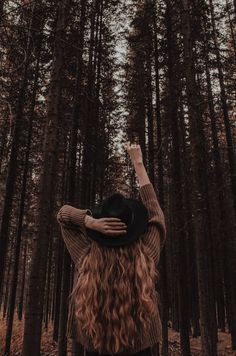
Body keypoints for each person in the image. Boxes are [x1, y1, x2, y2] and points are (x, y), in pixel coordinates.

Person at [56, 142, 166, 356]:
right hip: (140, 348)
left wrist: (88, 221)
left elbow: (63, 216)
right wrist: (138, 164)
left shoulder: (85, 258)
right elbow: (156, 216)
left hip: (95, 345)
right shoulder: (146, 256)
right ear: (134, 229)